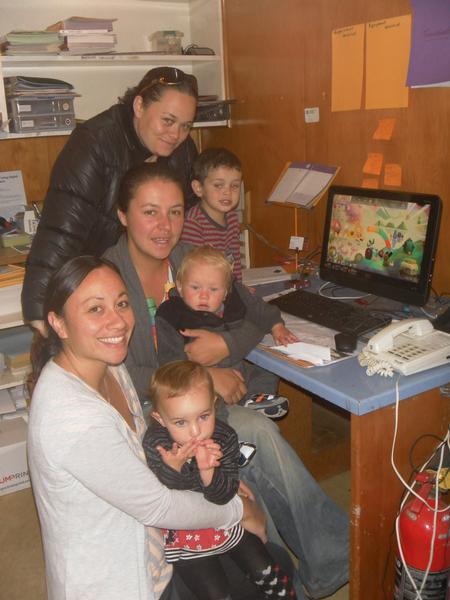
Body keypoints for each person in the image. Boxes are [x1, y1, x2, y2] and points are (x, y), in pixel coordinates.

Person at [104, 161, 349, 599]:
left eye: (176, 212)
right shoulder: (109, 279)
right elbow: (117, 372)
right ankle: (286, 557)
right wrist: (204, 377)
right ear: (123, 214)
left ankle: (315, 561)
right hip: (154, 409)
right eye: (150, 212)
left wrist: (223, 347)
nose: (165, 226)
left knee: (258, 437)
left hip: (205, 399)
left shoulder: (188, 260)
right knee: (254, 432)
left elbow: (250, 311)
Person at [27, 255, 267, 600]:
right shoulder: (74, 418)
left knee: (269, 571)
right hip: (119, 584)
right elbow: (157, 506)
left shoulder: (108, 366)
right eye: (96, 309)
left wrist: (213, 476)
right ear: (59, 324)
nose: (118, 322)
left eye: (121, 304)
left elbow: (149, 455)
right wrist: (237, 510)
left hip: (152, 554)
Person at [22, 66, 200, 335]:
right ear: (139, 105)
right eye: (167, 120)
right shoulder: (94, 143)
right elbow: (61, 230)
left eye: (185, 126)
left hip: (146, 283)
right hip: (91, 281)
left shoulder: (183, 152)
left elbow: (184, 223)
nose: (175, 134)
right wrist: (39, 311)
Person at [143, 360, 297, 599]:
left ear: (215, 406)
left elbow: (224, 496)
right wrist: (171, 470)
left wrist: (208, 472)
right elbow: (163, 499)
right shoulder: (157, 443)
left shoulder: (224, 437)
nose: (195, 431)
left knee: (264, 568)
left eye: (204, 416)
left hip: (226, 522)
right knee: (215, 593)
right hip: (186, 536)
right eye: (181, 422)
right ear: (160, 419)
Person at [156, 245, 296, 418]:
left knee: (269, 372)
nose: (204, 296)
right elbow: (169, 362)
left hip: (238, 371)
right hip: (202, 384)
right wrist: (201, 376)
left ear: (225, 292)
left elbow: (260, 309)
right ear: (179, 286)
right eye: (195, 287)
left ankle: (253, 403)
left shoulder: (235, 296)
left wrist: (277, 326)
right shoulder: (171, 314)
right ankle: (223, 430)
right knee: (207, 403)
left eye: (213, 289)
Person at [181, 147, 244, 281]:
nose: (227, 192)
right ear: (198, 188)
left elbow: (235, 260)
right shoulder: (193, 224)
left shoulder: (232, 218)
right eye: (218, 185)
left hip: (225, 286)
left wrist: (240, 288)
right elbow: (197, 273)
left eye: (234, 186)